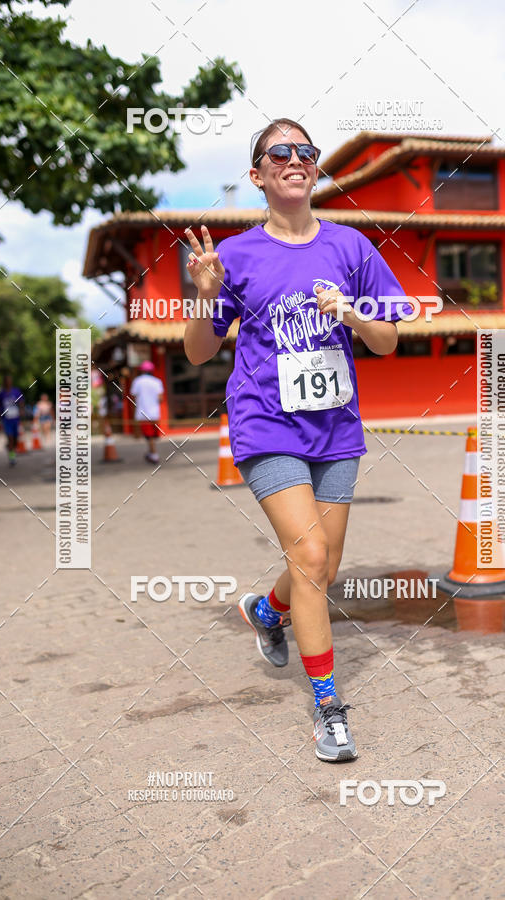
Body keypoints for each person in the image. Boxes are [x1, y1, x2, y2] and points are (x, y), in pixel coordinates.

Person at [183, 117, 411, 762]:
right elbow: (199, 353)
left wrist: (353, 312)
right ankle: (328, 707)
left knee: (322, 568)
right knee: (310, 556)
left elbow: (389, 339)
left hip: (336, 428)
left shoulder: (352, 248)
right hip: (265, 422)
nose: (294, 158)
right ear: (258, 175)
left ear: (315, 169)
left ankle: (265, 610)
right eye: (278, 152)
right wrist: (204, 297)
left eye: (305, 151)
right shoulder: (233, 256)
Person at [129, 361, 164, 463]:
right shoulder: (157, 382)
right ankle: (151, 453)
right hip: (154, 413)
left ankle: (154, 455)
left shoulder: (137, 381)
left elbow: (133, 396)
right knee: (152, 435)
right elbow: (160, 398)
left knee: (149, 436)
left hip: (143, 413)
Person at [0, 375, 24, 466]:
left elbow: (21, 402)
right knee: (10, 437)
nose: (8, 382)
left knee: (15, 439)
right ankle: (12, 458)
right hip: (6, 419)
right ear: (4, 382)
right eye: (7, 380)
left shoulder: (16, 391)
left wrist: (21, 410)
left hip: (15, 418)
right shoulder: (1, 393)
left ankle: (9, 446)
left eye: (10, 380)